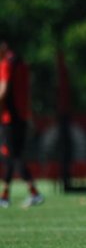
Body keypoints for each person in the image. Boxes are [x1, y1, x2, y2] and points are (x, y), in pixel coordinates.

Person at [0, 38, 44, 208]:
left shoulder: (6, 64)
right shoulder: (23, 65)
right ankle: (6, 196)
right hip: (22, 117)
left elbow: (3, 92)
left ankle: (33, 193)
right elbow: (26, 94)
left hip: (9, 119)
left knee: (13, 156)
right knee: (12, 156)